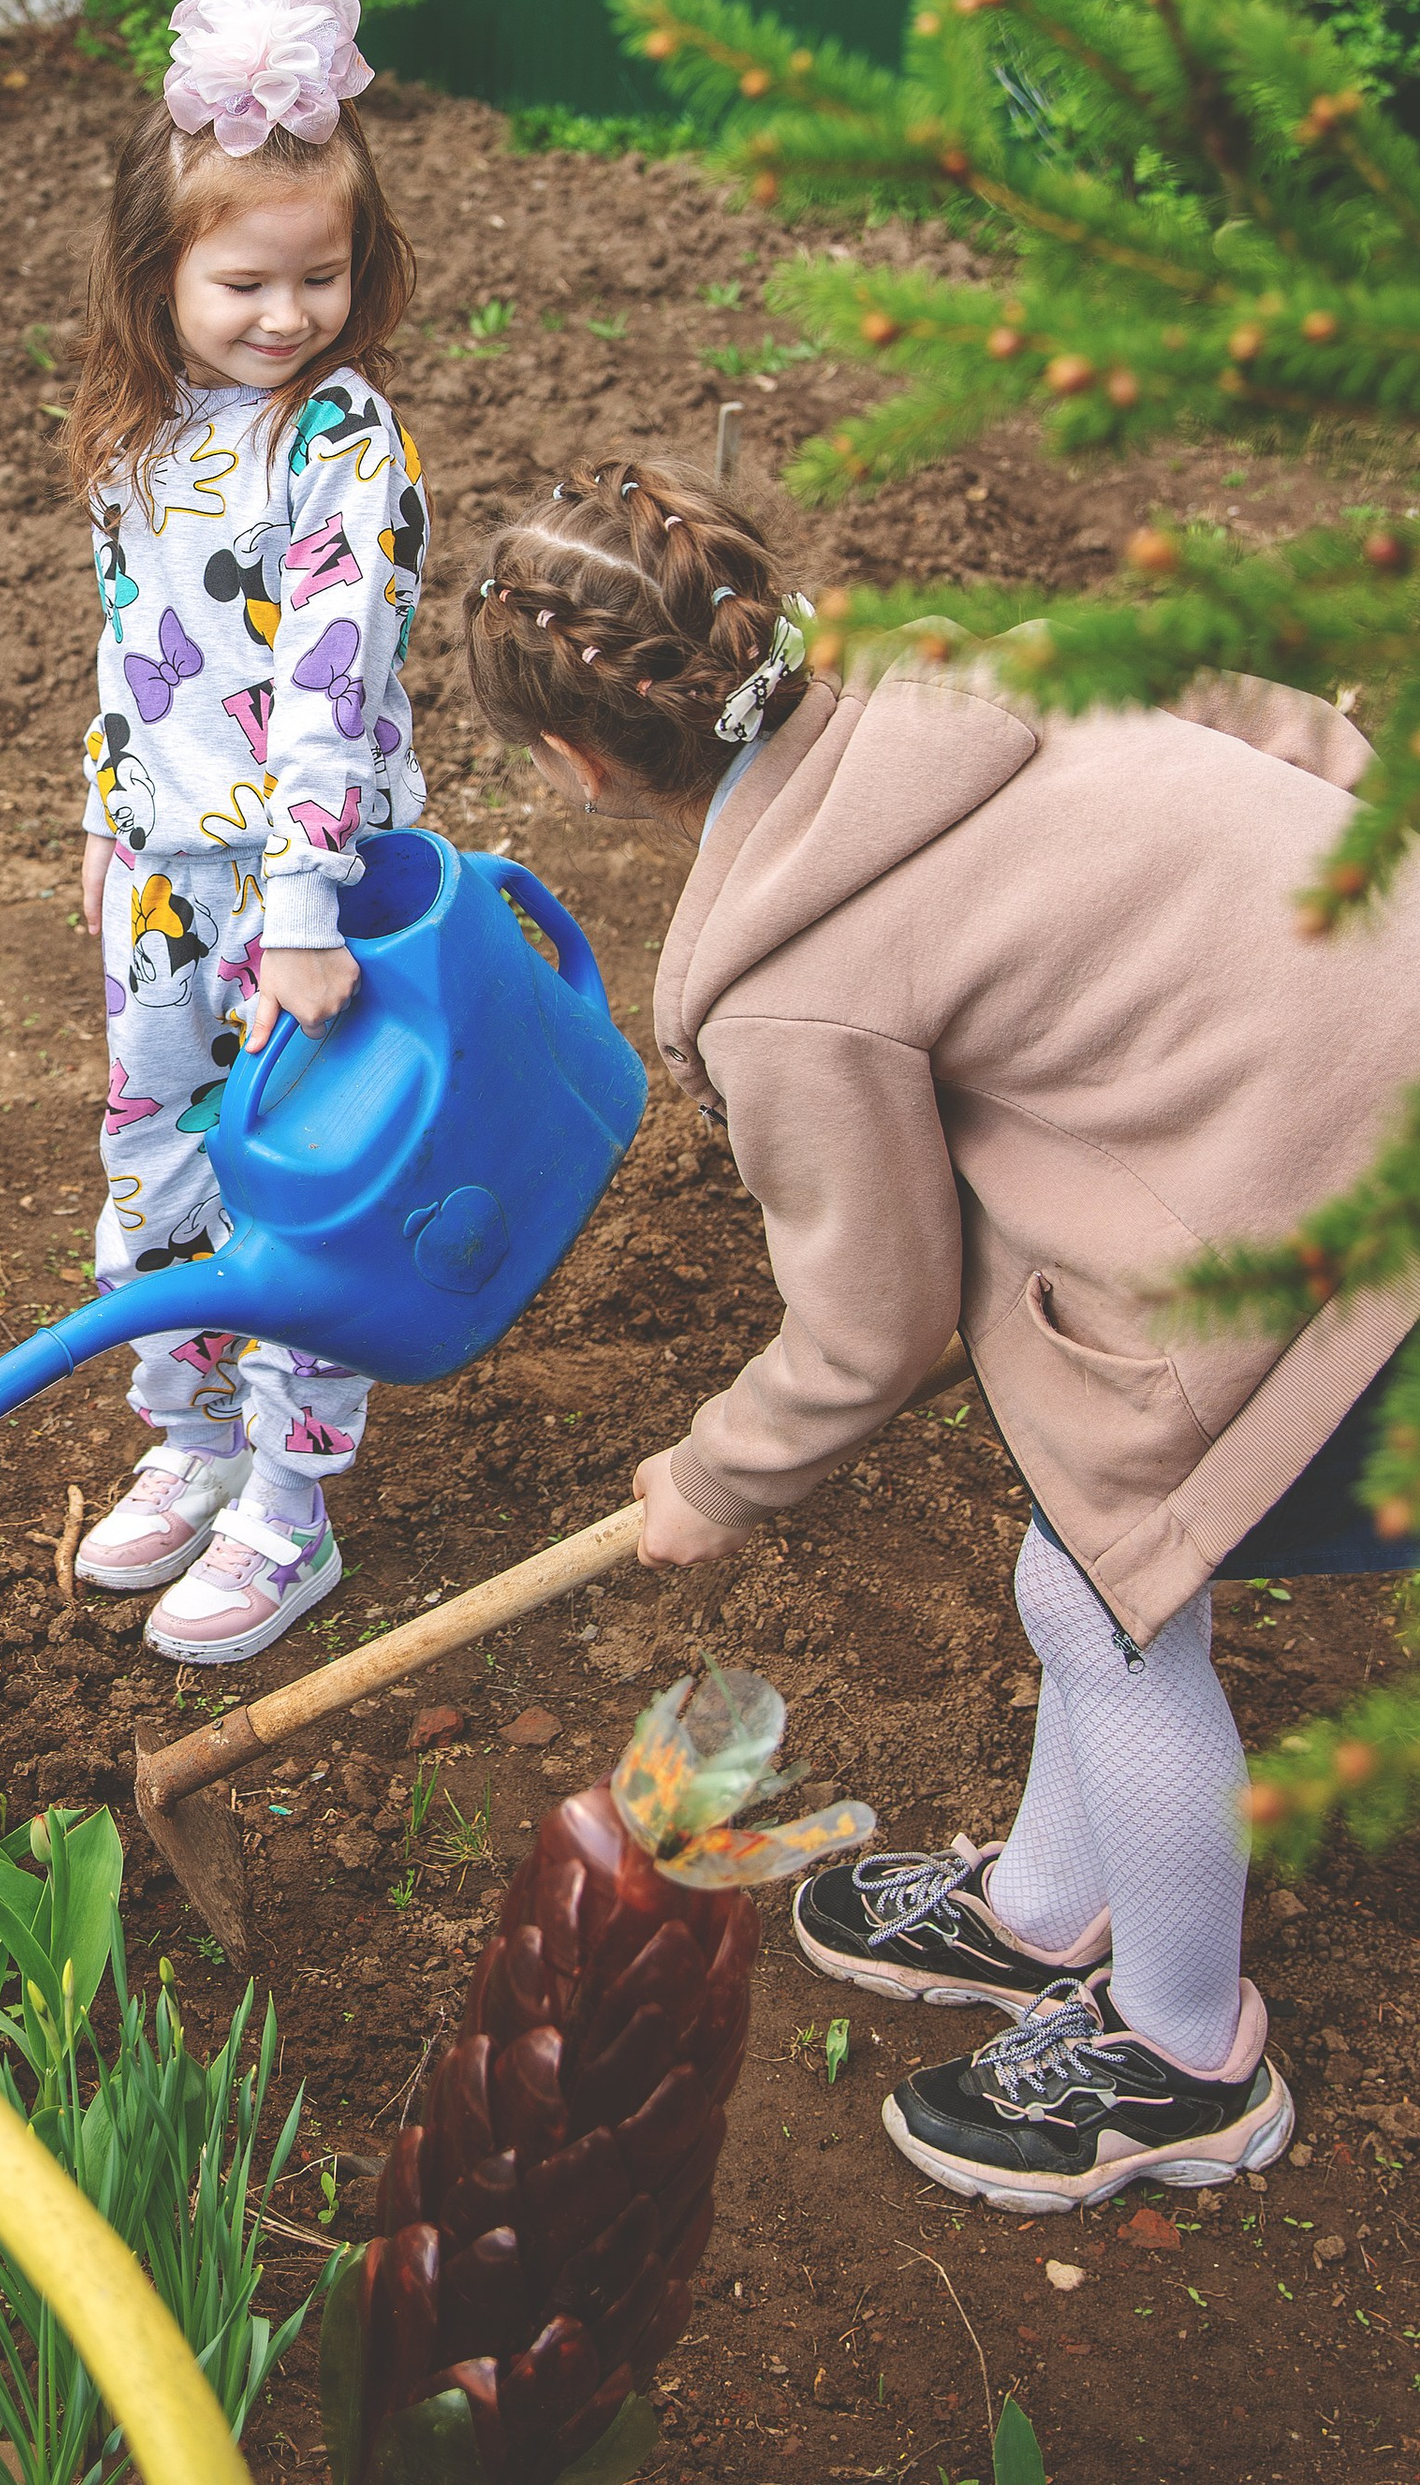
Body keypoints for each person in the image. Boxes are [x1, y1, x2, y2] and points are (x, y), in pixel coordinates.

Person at [463, 455, 1420, 2211]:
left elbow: (878, 1322)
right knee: (1090, 1569)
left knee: (1106, 1602)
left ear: (575, 767)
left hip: (1371, 1245)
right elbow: (1286, 722)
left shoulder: (790, 973)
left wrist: (714, 1480)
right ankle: (1048, 1911)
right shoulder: (985, 666)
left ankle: (1183, 2053)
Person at [63, 0, 431, 1664]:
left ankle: (289, 1507)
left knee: (303, 1182)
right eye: (244, 281)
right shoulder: (141, 432)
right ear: (159, 276)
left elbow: (332, 682)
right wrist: (103, 813)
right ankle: (192, 1442)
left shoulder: (341, 439)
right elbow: (128, 642)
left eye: (320, 276)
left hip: (307, 896)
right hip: (160, 877)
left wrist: (300, 908)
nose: (286, 314)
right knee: (157, 1161)